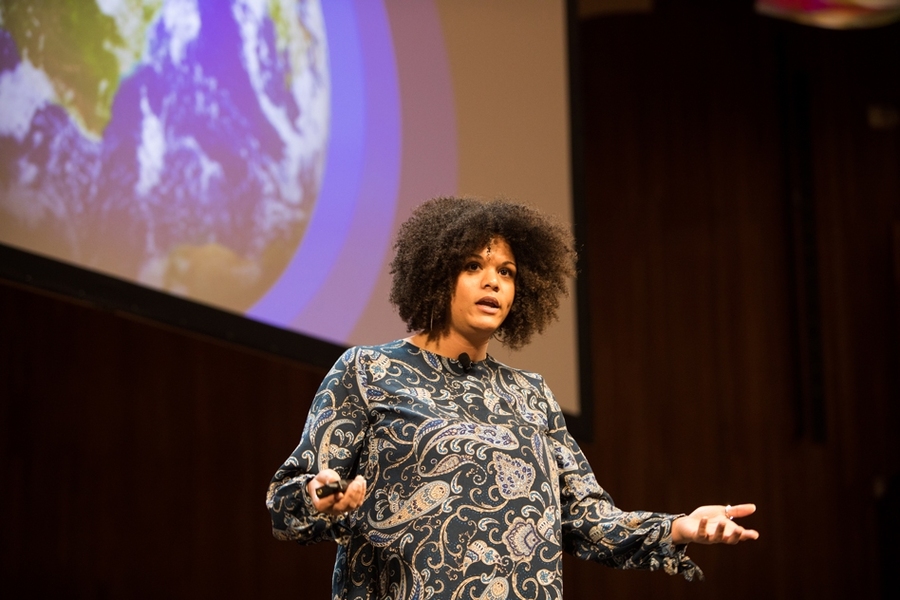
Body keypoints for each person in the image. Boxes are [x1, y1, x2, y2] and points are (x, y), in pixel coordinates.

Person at [266, 196, 758, 599]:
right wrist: (319, 494)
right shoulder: (368, 370)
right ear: (438, 275)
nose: (493, 282)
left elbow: (587, 519)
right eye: (474, 266)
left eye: (507, 272)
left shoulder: (532, 395)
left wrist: (680, 528)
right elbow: (284, 502)